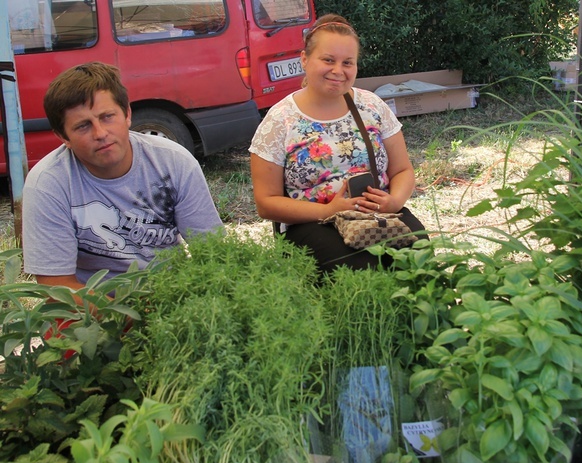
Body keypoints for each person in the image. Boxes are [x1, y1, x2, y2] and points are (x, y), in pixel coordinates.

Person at [22, 62, 223, 290]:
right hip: (94, 309)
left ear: (127, 114)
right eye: (83, 126)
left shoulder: (174, 162)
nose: (100, 133)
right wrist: (129, 315)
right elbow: (56, 287)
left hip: (170, 298)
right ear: (63, 137)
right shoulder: (47, 184)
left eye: (107, 116)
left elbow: (213, 252)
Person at [249, 14, 425, 274]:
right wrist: (328, 209)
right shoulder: (280, 121)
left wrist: (394, 201)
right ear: (305, 60)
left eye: (347, 63)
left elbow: (402, 171)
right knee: (356, 268)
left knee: (419, 253)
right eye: (328, 60)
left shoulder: (372, 106)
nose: (338, 71)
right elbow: (266, 203)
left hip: (376, 214)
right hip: (311, 222)